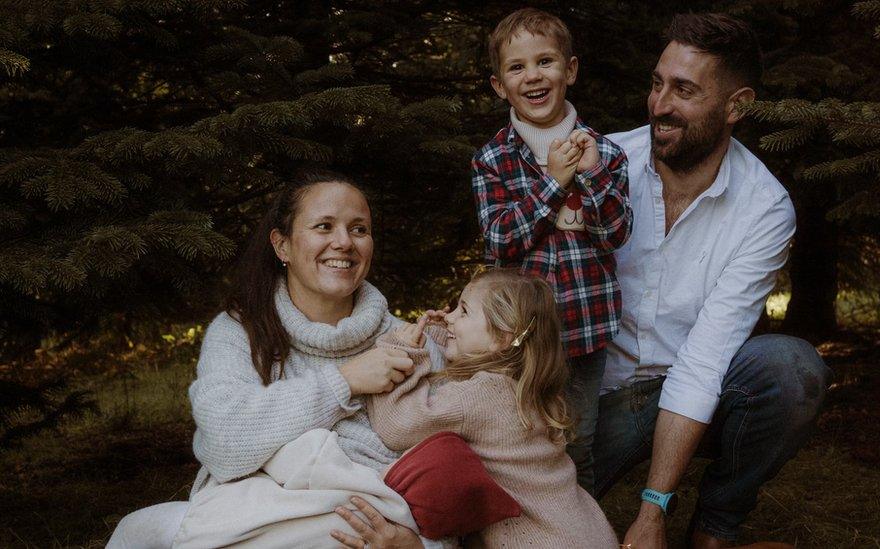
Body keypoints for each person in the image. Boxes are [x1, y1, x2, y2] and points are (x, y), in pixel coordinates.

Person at [592, 13, 832, 549]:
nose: (659, 105)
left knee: (790, 369)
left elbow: (707, 356)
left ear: (736, 105)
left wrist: (653, 508)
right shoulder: (602, 162)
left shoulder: (764, 208)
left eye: (683, 90)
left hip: (699, 387)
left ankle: (716, 526)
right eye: (657, 83)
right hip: (592, 398)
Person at [107, 173, 434, 548]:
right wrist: (343, 381)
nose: (343, 242)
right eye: (324, 226)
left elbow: (466, 463)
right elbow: (222, 442)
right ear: (282, 246)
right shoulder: (240, 331)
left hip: (356, 524)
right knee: (137, 530)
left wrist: (418, 544)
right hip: (246, 513)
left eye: (359, 229)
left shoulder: (412, 343)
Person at [472, 7, 632, 495]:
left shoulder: (605, 153)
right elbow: (500, 239)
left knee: (576, 440)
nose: (533, 76)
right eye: (517, 67)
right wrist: (552, 183)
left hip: (584, 331)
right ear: (500, 85)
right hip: (518, 336)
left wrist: (589, 174)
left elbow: (617, 232)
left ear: (571, 70)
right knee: (516, 436)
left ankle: (575, 528)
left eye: (545, 62)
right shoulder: (493, 159)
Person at [362, 268, 619, 548]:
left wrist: (402, 350)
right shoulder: (528, 386)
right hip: (588, 531)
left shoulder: (484, 393)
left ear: (501, 339)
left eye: (464, 311)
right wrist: (441, 335)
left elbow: (398, 426)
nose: (449, 316)